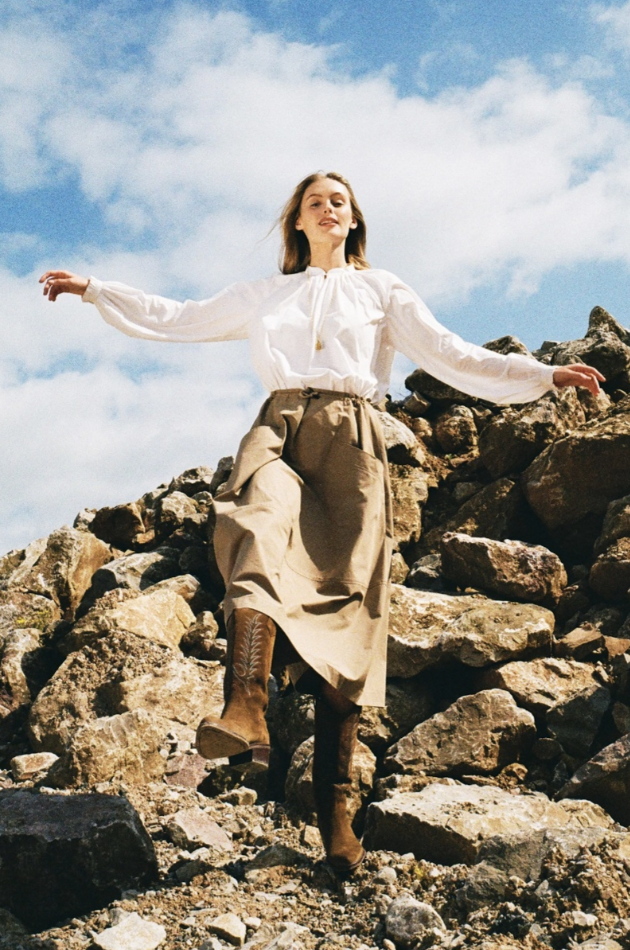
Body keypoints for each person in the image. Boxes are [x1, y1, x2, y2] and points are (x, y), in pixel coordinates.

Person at [40, 171, 604, 874]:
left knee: (349, 612)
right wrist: (95, 289)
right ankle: (244, 702)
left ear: (353, 220)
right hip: (278, 426)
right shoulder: (267, 293)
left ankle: (335, 812)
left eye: (339, 200)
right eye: (315, 201)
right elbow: (179, 315)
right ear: (298, 223)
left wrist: (541, 376)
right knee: (252, 527)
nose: (328, 207)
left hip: (354, 439)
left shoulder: (382, 290)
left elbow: (451, 353)